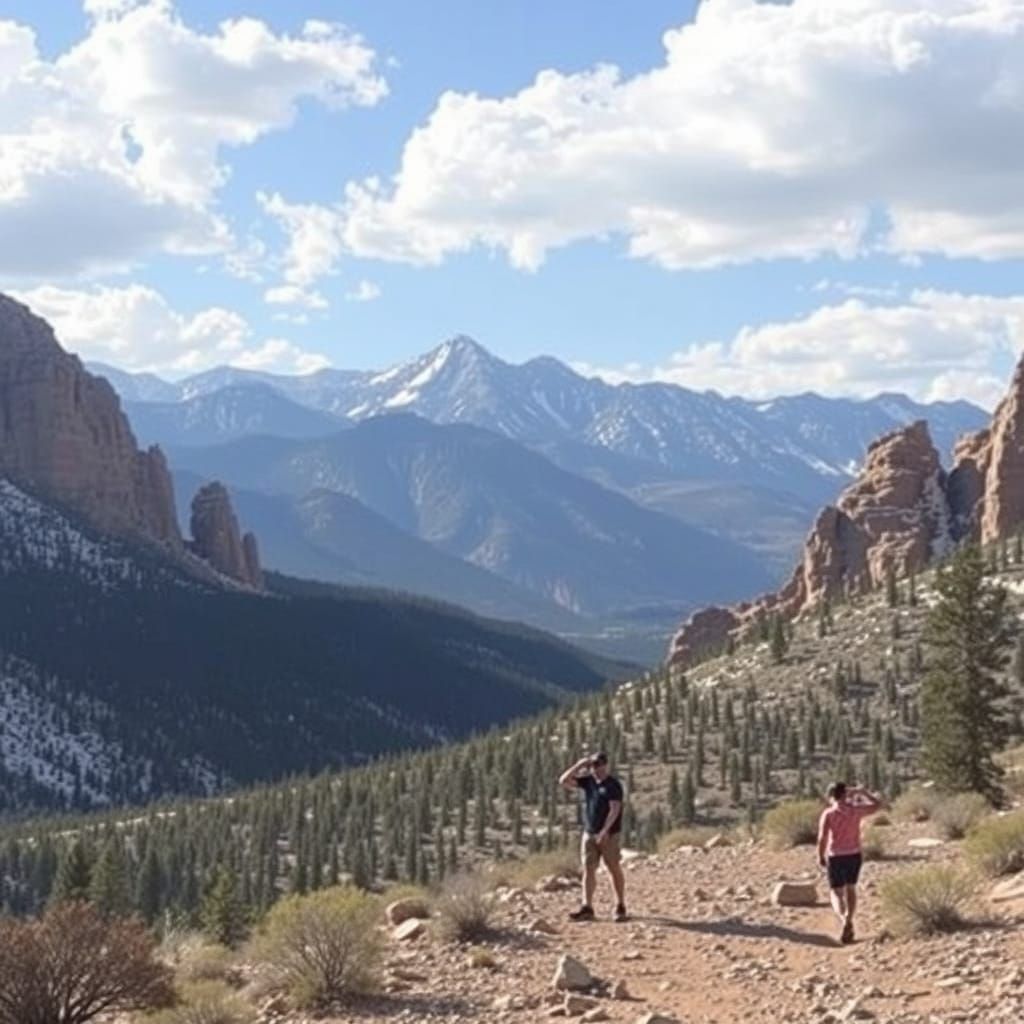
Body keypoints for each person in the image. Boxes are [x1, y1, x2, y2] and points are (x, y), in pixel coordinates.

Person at [559, 751, 627, 922]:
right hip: (589, 832)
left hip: (609, 834)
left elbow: (615, 809)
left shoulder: (613, 785)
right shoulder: (588, 782)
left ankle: (620, 904)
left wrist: (604, 830)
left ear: (606, 765)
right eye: (594, 765)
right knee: (588, 869)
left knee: (613, 867)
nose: (597, 768)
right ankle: (587, 906)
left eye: (600, 764)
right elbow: (564, 781)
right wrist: (579, 764)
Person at [817, 781, 884, 944]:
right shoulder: (855, 811)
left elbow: (822, 838)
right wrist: (862, 792)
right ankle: (849, 918)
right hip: (854, 854)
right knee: (851, 888)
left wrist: (820, 855)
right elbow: (877, 805)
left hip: (836, 856)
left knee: (836, 892)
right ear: (845, 794)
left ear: (831, 795)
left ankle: (843, 918)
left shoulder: (829, 813)